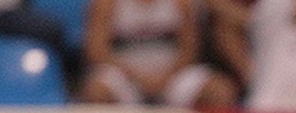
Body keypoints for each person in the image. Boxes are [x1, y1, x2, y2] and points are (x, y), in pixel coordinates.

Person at [80, 0, 238, 107]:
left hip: (172, 77)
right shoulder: (107, 3)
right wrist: (137, 76)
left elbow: (189, 51)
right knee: (97, 91)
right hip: (126, 77)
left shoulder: (181, 3)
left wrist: (165, 77)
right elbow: (97, 51)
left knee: (219, 90)